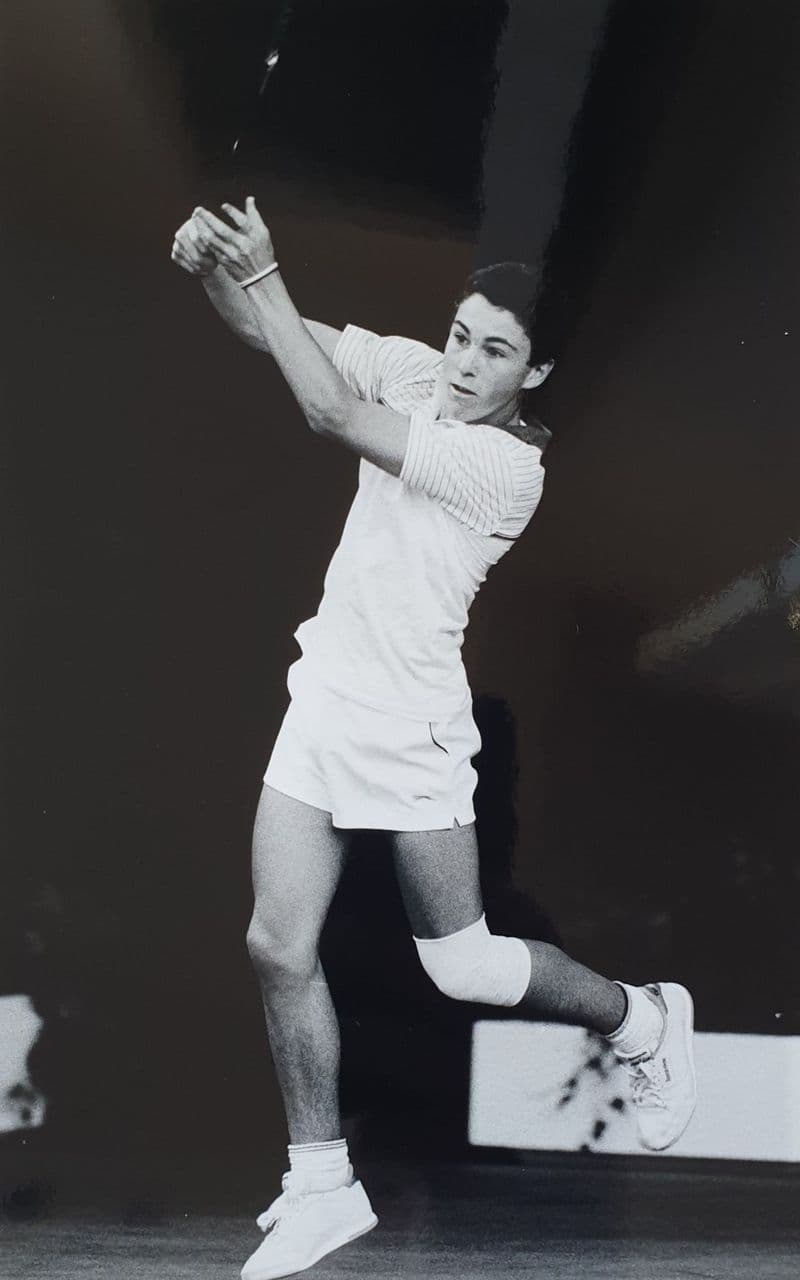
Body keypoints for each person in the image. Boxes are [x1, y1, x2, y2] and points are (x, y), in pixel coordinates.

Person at [171, 199, 697, 1280]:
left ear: (535, 373)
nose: (461, 362)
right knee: (277, 944)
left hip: (410, 726)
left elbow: (325, 414)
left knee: (459, 964)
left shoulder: (506, 473)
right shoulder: (415, 370)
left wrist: (263, 270)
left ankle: (638, 1018)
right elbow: (275, 332)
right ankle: (320, 1180)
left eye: (493, 349)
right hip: (324, 694)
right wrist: (215, 270)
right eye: (458, 333)